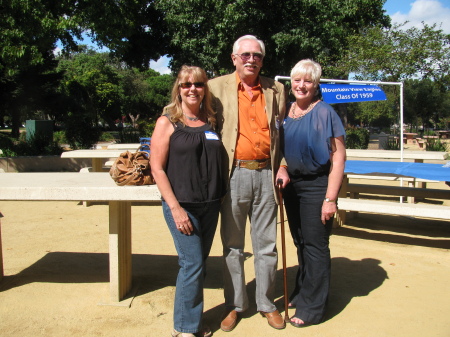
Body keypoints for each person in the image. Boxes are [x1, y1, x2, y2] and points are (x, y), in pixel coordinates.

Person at [208, 35, 287, 331]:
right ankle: (236, 304)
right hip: (233, 175)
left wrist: (282, 165)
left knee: (267, 245)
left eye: (257, 55)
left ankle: (267, 303)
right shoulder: (215, 87)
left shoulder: (277, 89)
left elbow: (282, 133)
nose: (251, 59)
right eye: (245, 55)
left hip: (267, 173)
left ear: (262, 60)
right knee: (232, 245)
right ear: (234, 58)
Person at [150, 65, 226, 337]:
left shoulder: (212, 121)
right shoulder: (167, 122)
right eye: (186, 84)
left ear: (205, 88)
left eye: (198, 84)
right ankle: (185, 328)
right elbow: (157, 167)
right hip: (182, 206)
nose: (192, 89)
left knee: (199, 264)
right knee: (192, 263)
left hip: (210, 204)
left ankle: (191, 319)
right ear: (179, 89)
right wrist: (175, 208)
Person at [278, 59, 346, 327]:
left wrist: (330, 198)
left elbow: (338, 158)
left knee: (316, 246)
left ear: (316, 84)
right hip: (292, 186)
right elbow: (281, 150)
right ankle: (303, 290)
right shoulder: (286, 111)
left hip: (318, 185)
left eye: (308, 80)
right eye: (297, 80)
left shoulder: (326, 113)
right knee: (300, 242)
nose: (301, 85)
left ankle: (313, 307)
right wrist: (282, 167)